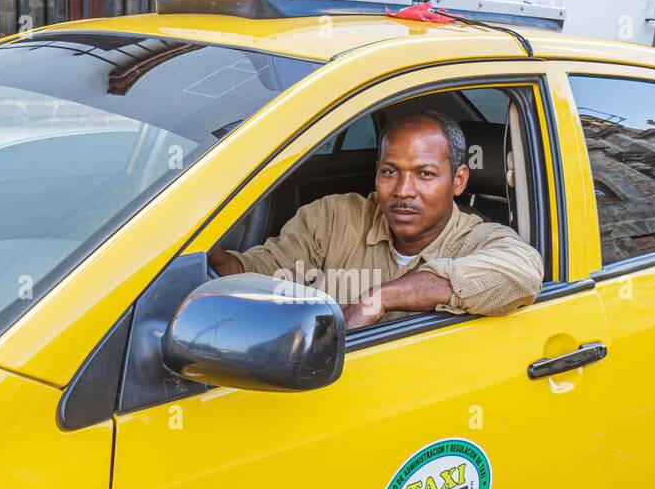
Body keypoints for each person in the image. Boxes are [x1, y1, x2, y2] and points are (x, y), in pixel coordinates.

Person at [208, 109, 545, 330]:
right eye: (389, 172)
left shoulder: (478, 239)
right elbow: (265, 270)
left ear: (458, 181)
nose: (403, 190)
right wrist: (213, 256)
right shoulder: (334, 217)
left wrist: (381, 298)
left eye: (425, 174)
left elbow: (524, 272)